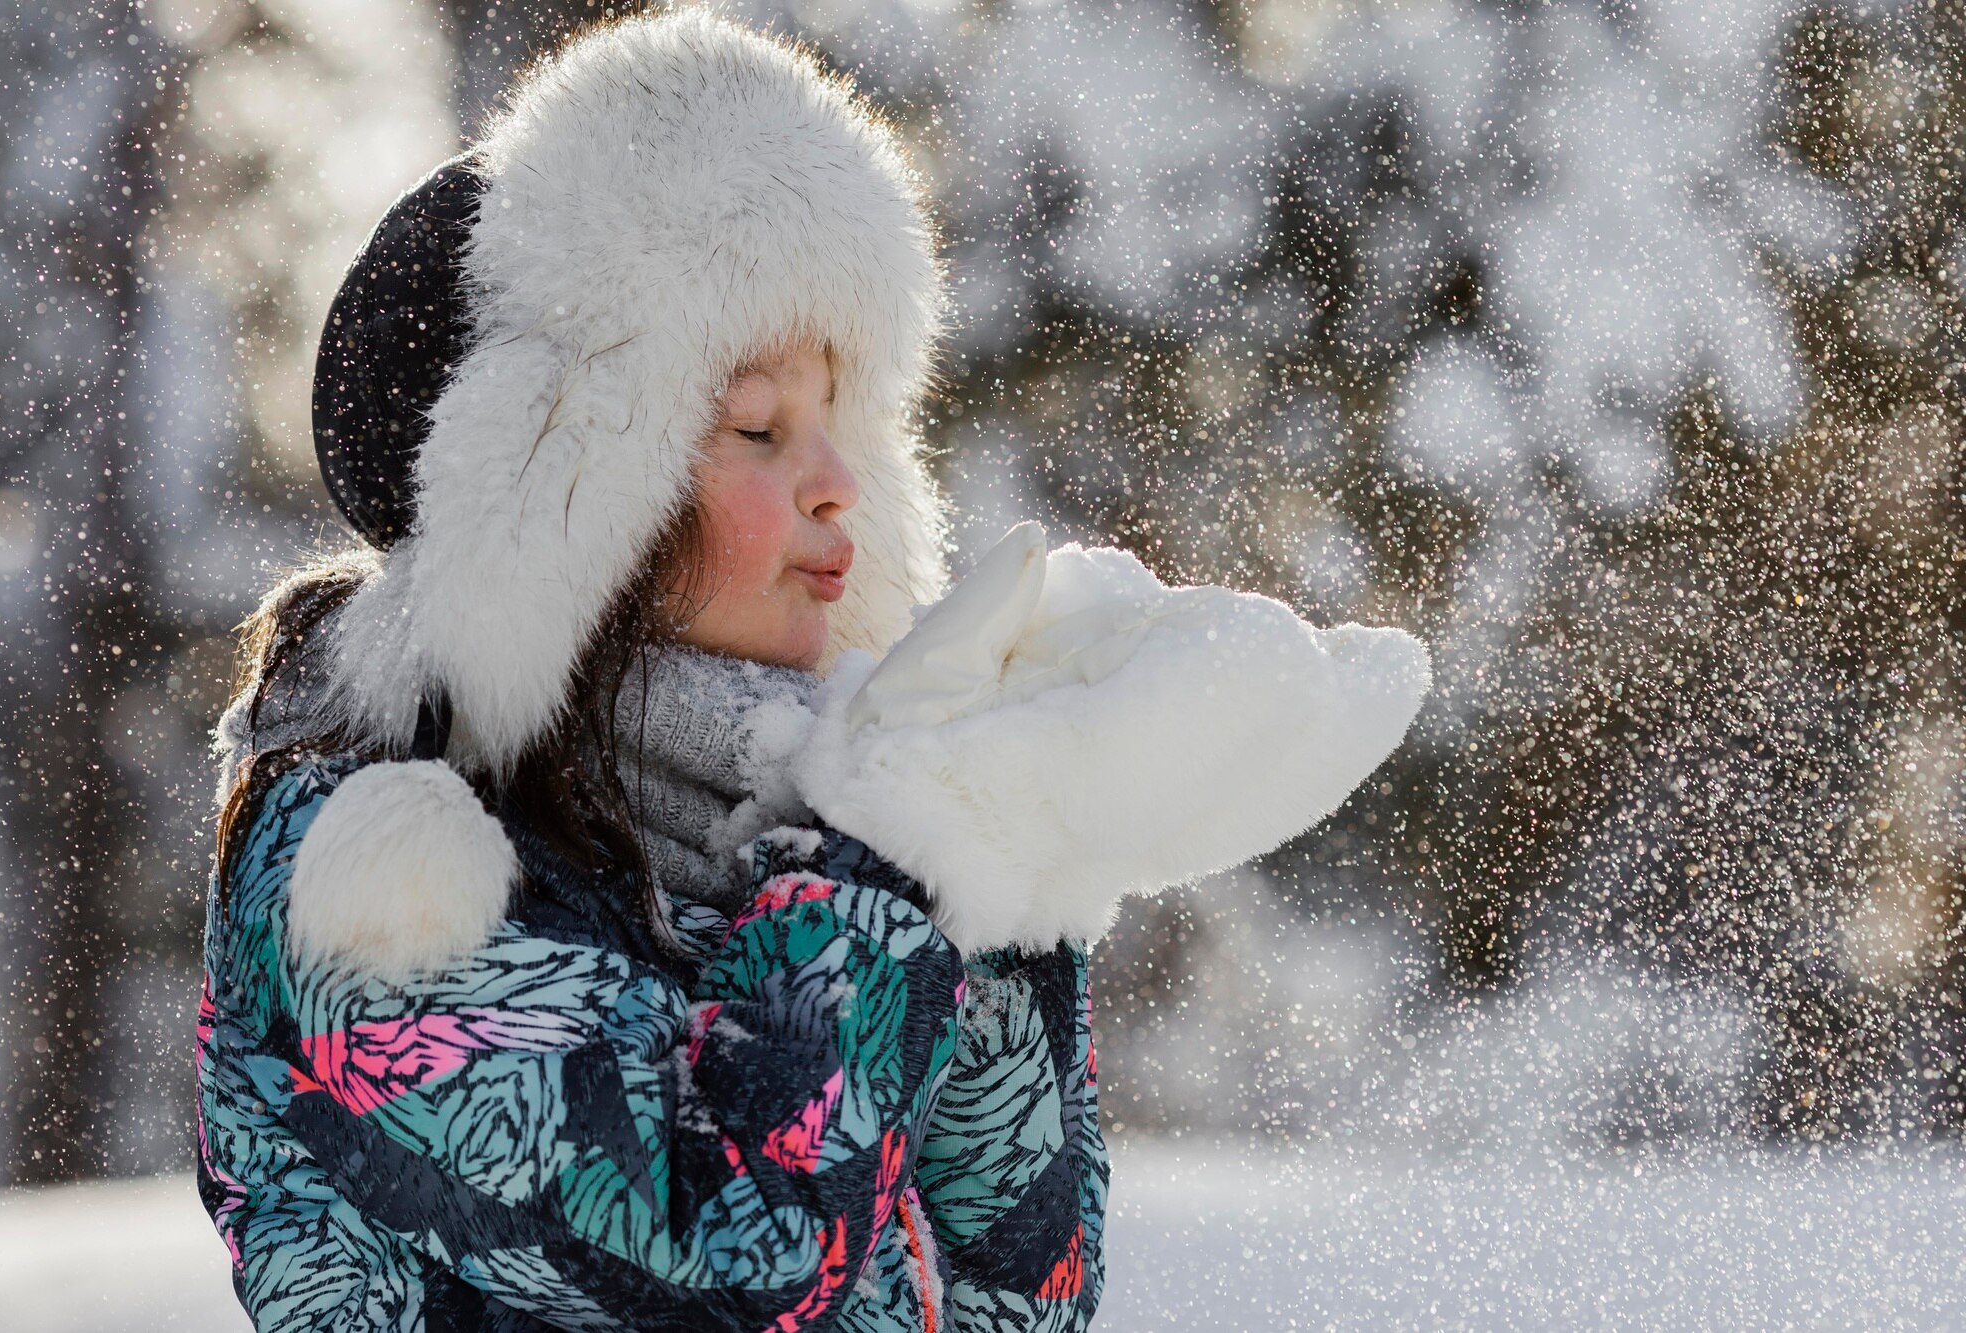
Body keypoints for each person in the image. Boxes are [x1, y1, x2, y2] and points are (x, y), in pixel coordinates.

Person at [195, 9, 1430, 1331]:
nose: (839, 481)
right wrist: (898, 850)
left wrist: (1014, 846)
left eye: (843, 418)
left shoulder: (795, 836)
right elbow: (731, 1260)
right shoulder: (366, 870)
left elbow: (1021, 1299)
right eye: (758, 427)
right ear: (573, 487)